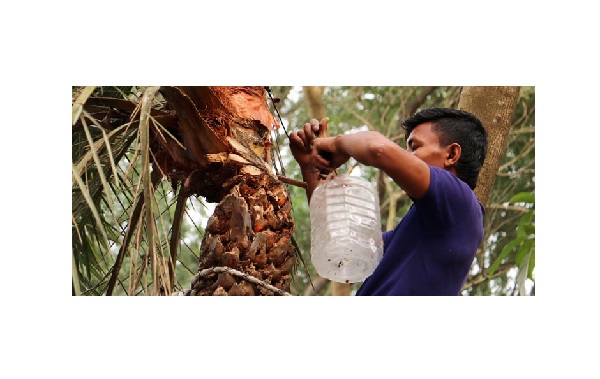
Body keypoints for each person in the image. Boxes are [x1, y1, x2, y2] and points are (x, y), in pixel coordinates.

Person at [289, 107, 488, 295]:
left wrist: (334, 145)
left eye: (414, 147)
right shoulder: (420, 227)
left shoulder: (461, 201)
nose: (406, 156)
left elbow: (377, 148)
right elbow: (342, 248)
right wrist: (312, 168)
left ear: (452, 154)